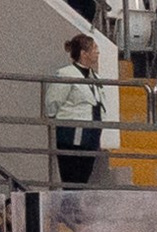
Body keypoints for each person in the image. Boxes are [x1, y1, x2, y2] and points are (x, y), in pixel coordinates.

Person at [48, 32, 111, 186]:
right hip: (72, 133)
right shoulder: (65, 74)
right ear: (84, 54)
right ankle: (69, 208)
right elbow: (52, 102)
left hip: (91, 134)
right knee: (72, 177)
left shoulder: (94, 76)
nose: (97, 52)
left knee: (84, 177)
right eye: (94, 49)